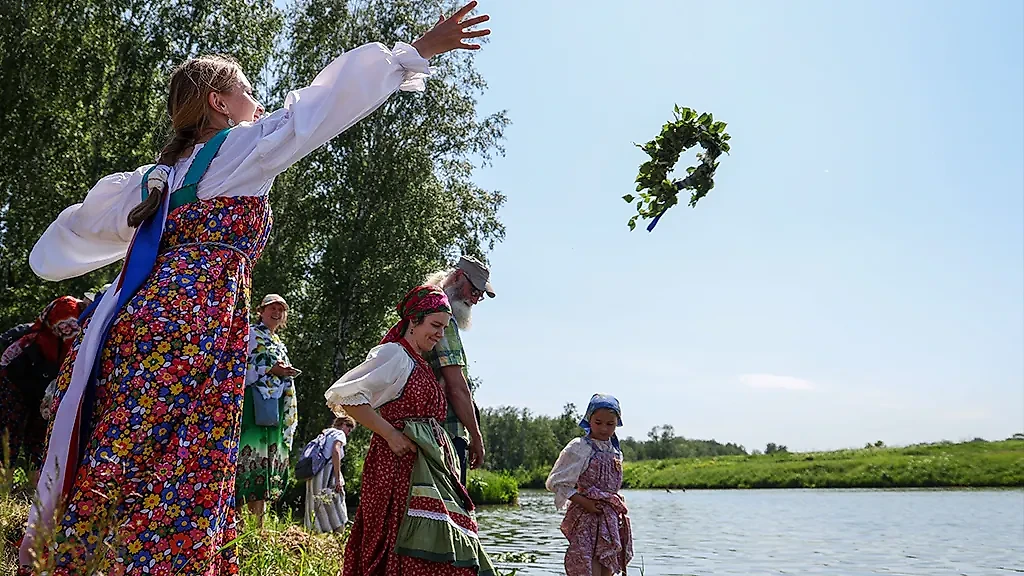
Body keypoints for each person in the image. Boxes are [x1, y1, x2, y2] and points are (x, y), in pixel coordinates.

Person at [19, 3, 492, 572]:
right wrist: (414, 54)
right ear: (219, 105)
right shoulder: (238, 149)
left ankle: (84, 557)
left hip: (138, 317)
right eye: (246, 90)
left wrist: (55, 255)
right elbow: (313, 113)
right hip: (199, 320)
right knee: (184, 459)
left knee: (125, 445)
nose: (258, 100)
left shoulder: (156, 178)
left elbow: (68, 235)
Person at [325, 285, 494, 576]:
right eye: (435, 325)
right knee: (400, 540)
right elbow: (346, 396)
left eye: (444, 327)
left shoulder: (421, 362)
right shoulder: (395, 355)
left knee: (446, 540)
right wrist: (390, 434)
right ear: (414, 321)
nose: (440, 334)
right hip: (397, 466)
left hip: (425, 465)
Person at [423, 255, 495, 485]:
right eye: (473, 292)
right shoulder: (444, 319)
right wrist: (476, 437)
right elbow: (456, 388)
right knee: (453, 515)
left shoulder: (421, 310)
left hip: (422, 431)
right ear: (457, 277)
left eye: (479, 296)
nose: (474, 300)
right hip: (445, 433)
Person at [546, 394, 634, 576]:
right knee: (589, 565)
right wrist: (585, 502)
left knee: (607, 565)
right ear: (589, 419)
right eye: (598, 422)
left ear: (617, 422)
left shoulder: (615, 450)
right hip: (587, 515)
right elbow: (557, 482)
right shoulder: (580, 447)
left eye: (610, 424)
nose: (603, 428)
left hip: (609, 516)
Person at [0, 295, 86, 470]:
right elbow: (73, 353)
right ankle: (5, 482)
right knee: (9, 435)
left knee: (37, 438)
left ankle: (35, 486)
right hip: (22, 376)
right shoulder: (69, 309)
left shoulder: (74, 311)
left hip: (40, 380)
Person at [235, 293, 299, 527]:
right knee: (247, 457)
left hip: (275, 407)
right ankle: (236, 524)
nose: (276, 312)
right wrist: (269, 369)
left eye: (281, 309)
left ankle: (257, 528)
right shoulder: (250, 334)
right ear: (260, 311)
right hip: (252, 405)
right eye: (272, 307)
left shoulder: (278, 343)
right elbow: (239, 364)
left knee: (266, 461)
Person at [304, 412, 356, 533]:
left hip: (315, 472)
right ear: (343, 424)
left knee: (315, 503)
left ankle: (314, 534)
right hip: (327, 473)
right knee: (337, 500)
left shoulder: (325, 432)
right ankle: (340, 534)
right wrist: (338, 478)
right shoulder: (339, 433)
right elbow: (336, 451)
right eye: (349, 428)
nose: (349, 432)